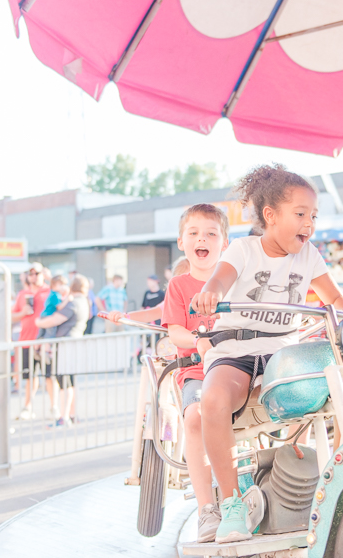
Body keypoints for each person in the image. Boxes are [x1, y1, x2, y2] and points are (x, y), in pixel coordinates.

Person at [192, 164, 343, 543]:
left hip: (282, 353)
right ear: (270, 215)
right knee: (212, 402)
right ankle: (230, 503)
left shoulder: (309, 254)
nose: (309, 223)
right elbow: (221, 278)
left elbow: (337, 301)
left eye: (313, 216)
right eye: (300, 214)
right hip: (237, 350)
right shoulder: (244, 249)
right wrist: (212, 291)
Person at [107, 204, 229, 542]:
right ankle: (207, 509)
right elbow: (172, 328)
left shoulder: (235, 279)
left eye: (210, 233)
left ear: (225, 243)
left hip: (236, 367)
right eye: (194, 233)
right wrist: (200, 341)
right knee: (193, 416)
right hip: (197, 369)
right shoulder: (179, 286)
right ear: (181, 242)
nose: (201, 239)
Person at [36, 275, 90, 427]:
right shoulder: (83, 301)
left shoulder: (73, 303)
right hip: (72, 345)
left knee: (64, 382)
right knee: (70, 382)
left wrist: (39, 322)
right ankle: (71, 415)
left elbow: (55, 319)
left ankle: (64, 417)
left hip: (66, 346)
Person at [11, 264, 58, 421]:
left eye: (36, 273)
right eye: (30, 274)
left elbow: (64, 298)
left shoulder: (50, 291)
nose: (33, 276)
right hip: (27, 341)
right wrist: (23, 312)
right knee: (29, 376)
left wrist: (51, 278)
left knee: (50, 376)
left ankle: (54, 407)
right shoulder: (23, 294)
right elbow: (12, 317)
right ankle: (28, 407)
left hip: (45, 341)